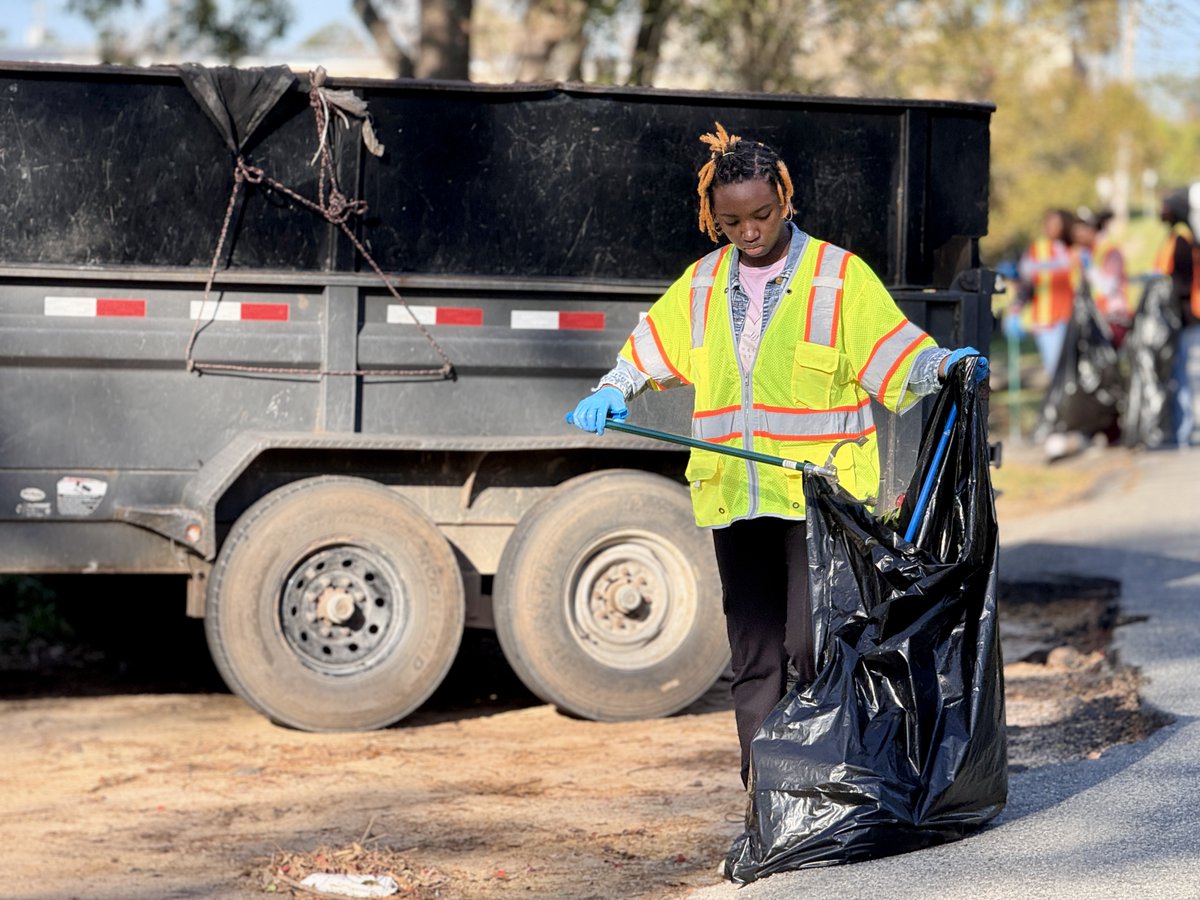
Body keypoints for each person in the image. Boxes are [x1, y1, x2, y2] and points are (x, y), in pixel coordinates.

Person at [566, 123, 988, 788]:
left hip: (819, 499)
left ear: (786, 200)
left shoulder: (836, 277)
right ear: (714, 218)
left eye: (762, 215)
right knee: (755, 655)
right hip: (736, 497)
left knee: (811, 647)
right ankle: (768, 799)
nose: (749, 231)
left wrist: (943, 365)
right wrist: (614, 387)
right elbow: (652, 343)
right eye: (731, 221)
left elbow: (895, 354)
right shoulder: (704, 283)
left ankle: (828, 784)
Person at [1154, 188, 1200, 448]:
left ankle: (1187, 429)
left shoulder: (1182, 239)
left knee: (1187, 375)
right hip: (1181, 317)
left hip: (1188, 317)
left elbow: (1181, 283)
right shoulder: (1177, 237)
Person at [1017, 208, 1079, 377]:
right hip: (1046, 321)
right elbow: (1025, 280)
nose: (1052, 228)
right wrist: (1018, 304)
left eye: (1056, 224)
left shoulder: (1073, 249)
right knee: (1056, 370)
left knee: (1072, 369)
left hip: (1070, 318)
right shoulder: (1037, 249)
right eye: (1049, 224)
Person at [1087, 209, 1131, 349]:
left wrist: (1089, 269)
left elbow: (1108, 287)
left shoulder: (1110, 251)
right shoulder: (1091, 251)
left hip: (1112, 315)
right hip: (1098, 314)